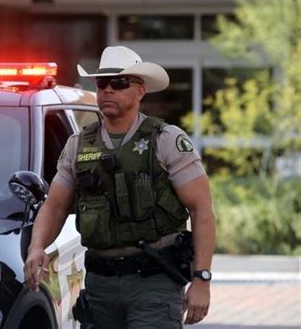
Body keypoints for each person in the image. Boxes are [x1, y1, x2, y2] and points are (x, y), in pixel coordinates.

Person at [24, 46, 216, 328]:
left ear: (140, 90)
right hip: (100, 285)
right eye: (102, 84)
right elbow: (54, 206)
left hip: (154, 282)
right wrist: (36, 247)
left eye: (119, 83)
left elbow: (202, 210)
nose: (108, 91)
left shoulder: (165, 140)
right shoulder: (79, 145)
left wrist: (202, 279)